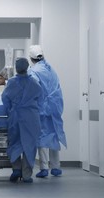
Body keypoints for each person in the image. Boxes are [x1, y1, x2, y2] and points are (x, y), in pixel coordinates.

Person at [27, 45, 67, 178]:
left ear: (31, 59)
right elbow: (57, 87)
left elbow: (34, 88)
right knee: (54, 135)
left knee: (42, 137)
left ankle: (44, 167)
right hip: (54, 106)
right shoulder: (51, 70)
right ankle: (56, 167)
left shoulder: (34, 71)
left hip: (41, 107)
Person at [1, 57, 42, 183]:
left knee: (15, 143)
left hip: (16, 116)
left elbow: (5, 99)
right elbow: (41, 99)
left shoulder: (12, 82)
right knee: (30, 145)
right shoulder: (34, 82)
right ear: (28, 66)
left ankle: (16, 169)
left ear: (16, 68)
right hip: (31, 117)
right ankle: (27, 174)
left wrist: (11, 110)